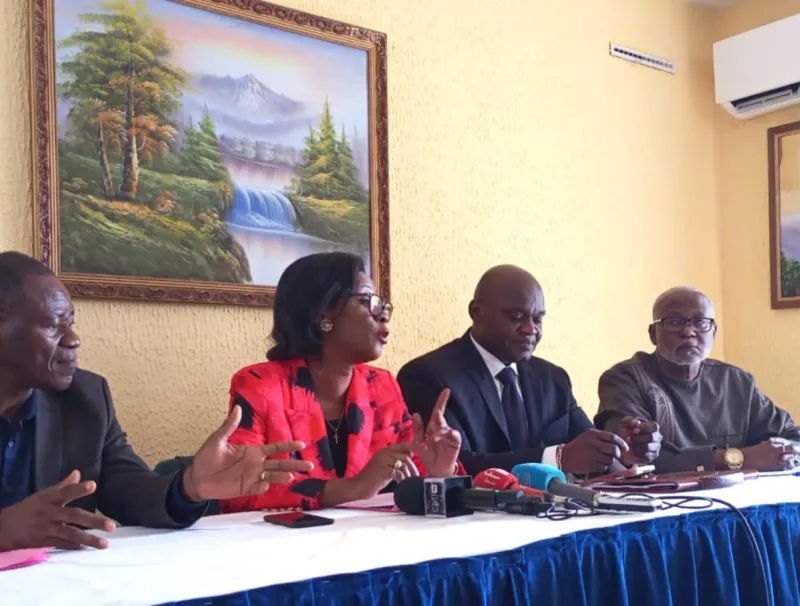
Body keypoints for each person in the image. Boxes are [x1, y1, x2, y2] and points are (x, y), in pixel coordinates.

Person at [0, 251, 313, 553]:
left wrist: (190, 486)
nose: (73, 339)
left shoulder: (87, 398)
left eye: (71, 322)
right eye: (54, 326)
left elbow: (131, 490)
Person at [220, 252, 463, 513]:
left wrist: (439, 471)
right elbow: (238, 489)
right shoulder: (260, 385)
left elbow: (412, 474)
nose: (383, 315)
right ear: (322, 311)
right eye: (368, 301)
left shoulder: (381, 386)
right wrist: (354, 487)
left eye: (383, 304)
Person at [397, 265, 661, 477]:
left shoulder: (553, 378)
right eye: (516, 317)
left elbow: (586, 447)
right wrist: (558, 459)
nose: (530, 329)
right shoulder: (428, 376)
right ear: (476, 312)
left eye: (537, 319)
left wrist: (621, 450)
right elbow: (453, 465)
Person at [595, 286, 800, 473]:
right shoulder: (625, 380)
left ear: (714, 332)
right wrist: (738, 459)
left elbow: (792, 437)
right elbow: (631, 456)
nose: (688, 331)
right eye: (674, 322)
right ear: (653, 334)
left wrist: (782, 453)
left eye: (701, 322)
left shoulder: (736, 381)